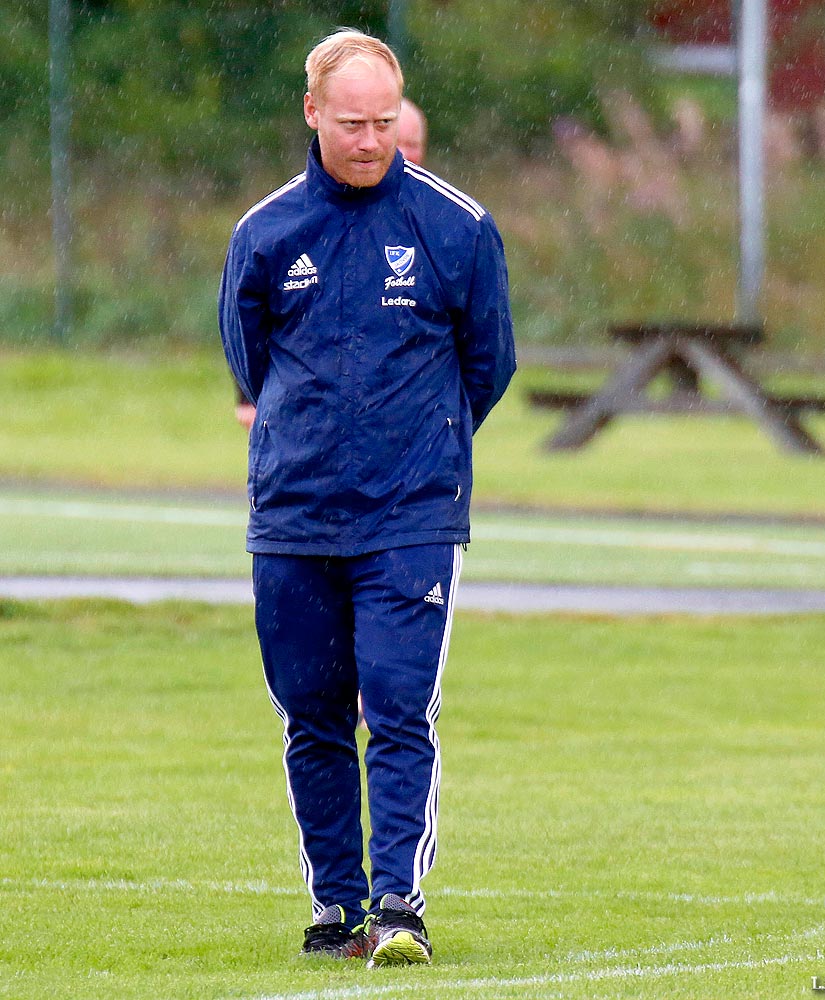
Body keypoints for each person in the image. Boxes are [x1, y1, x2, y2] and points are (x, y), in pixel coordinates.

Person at [218, 29, 515, 966]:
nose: (372, 139)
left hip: (411, 516)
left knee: (395, 707)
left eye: (386, 122)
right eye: (353, 123)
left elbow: (489, 363)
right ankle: (336, 905)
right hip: (295, 517)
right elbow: (250, 360)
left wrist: (415, 444)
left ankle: (398, 905)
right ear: (312, 114)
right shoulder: (265, 234)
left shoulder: (456, 227)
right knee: (311, 714)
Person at [233, 95, 430, 430]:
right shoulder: (292, 222)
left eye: (413, 144)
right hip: (310, 435)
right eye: (399, 143)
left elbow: (481, 355)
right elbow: (255, 318)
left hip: (407, 438)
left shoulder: (443, 225)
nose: (404, 154)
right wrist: (253, 398)